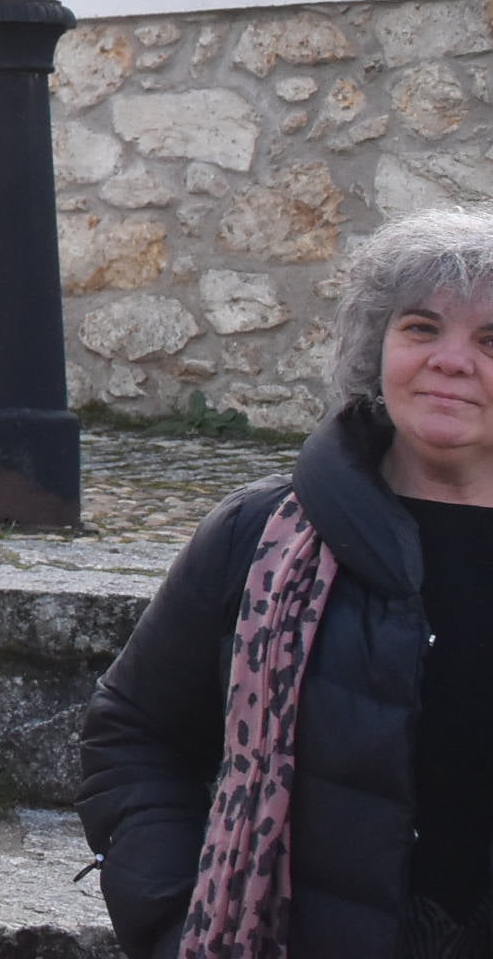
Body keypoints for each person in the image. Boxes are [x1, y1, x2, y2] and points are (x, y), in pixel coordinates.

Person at [80, 208, 493, 958]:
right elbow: (135, 736)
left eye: (491, 341)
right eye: (421, 329)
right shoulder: (260, 534)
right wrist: (177, 920)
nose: (451, 360)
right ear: (379, 347)